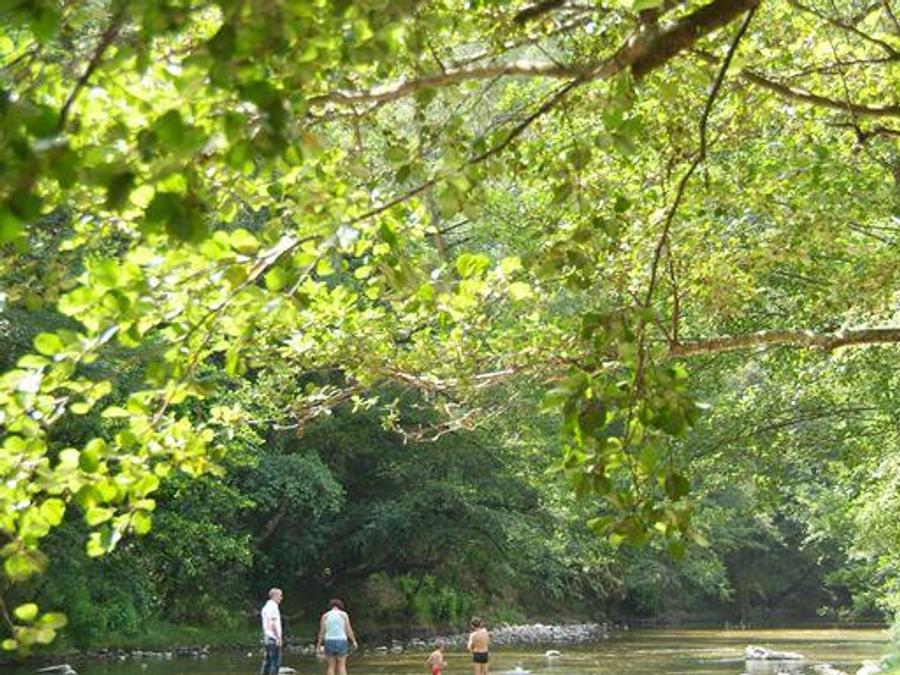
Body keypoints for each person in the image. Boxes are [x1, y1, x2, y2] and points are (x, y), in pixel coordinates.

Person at [316, 598, 358, 675]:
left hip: (329, 641)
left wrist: (318, 645)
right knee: (342, 667)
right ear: (340, 606)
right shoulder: (344, 615)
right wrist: (354, 641)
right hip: (341, 641)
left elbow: (322, 632)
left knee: (331, 667)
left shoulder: (325, 616)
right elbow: (348, 630)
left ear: (330, 606)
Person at [260, 587, 283, 675]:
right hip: (273, 637)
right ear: (274, 596)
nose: (281, 598)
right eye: (280, 595)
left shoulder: (266, 607)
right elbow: (273, 623)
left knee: (267, 662)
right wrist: (278, 638)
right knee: (275, 663)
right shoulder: (273, 607)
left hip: (267, 636)